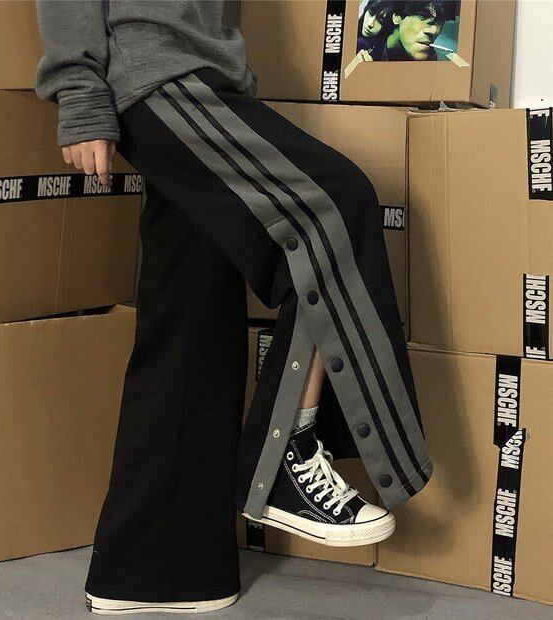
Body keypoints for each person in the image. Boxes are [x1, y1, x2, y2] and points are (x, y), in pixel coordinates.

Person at [34, 0, 432, 615]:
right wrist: (79, 88)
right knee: (336, 206)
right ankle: (286, 455)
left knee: (190, 314)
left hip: (203, 78)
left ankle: (154, 572)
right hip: (157, 76)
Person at [372, 0, 460, 61]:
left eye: (440, 21)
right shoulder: (368, 49)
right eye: (422, 15)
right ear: (397, 17)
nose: (434, 31)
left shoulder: (432, 58)